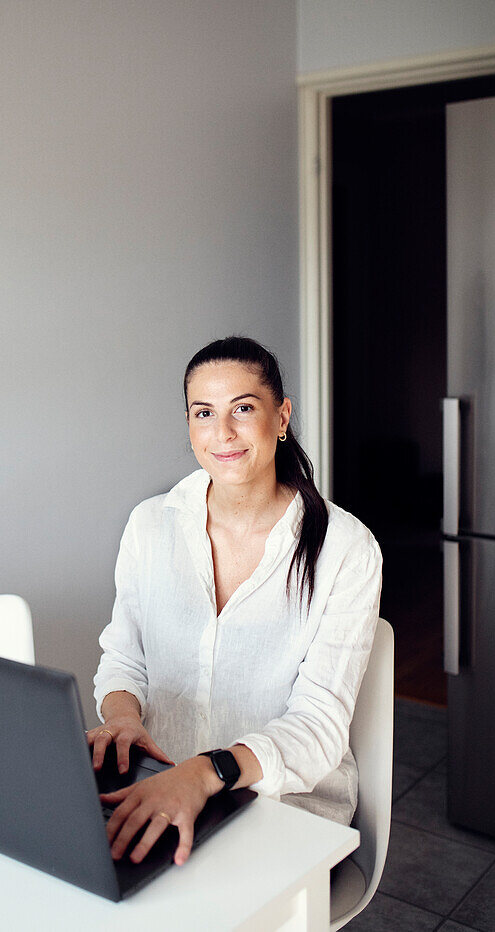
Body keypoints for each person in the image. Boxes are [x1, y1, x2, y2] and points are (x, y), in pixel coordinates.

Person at [88, 336, 382, 869]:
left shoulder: (346, 549)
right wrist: (125, 719)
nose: (222, 433)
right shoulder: (151, 525)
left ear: (282, 415)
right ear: (189, 423)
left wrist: (204, 773)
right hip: (159, 788)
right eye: (204, 413)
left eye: (243, 409)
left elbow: (318, 725)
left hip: (284, 809)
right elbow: (125, 660)